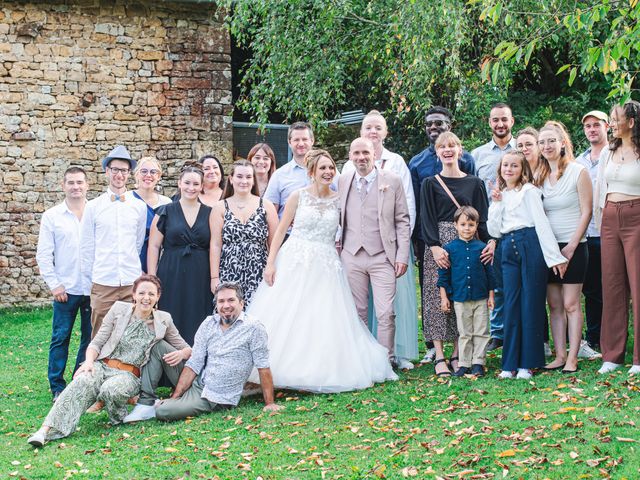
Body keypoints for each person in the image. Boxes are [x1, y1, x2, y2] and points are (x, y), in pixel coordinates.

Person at [247, 149, 398, 392]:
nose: (328, 173)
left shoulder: (340, 199)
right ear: (311, 173)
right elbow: (279, 232)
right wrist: (271, 262)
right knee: (288, 313)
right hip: (295, 259)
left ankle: (314, 369)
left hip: (326, 263)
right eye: (323, 169)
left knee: (321, 316)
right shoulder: (298, 196)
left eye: (331, 168)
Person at [27, 275, 191, 447]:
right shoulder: (119, 310)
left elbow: (187, 347)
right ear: (133, 295)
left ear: (158, 297)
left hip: (129, 375)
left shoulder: (164, 319)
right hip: (103, 365)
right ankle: (45, 431)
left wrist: (182, 353)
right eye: (141, 293)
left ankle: (119, 417)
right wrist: (89, 362)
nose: (146, 298)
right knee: (80, 382)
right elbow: (97, 342)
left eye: (151, 294)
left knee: (111, 390)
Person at [122, 282, 282, 423]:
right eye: (221, 301)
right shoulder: (209, 323)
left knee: (164, 411)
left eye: (231, 300)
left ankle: (161, 406)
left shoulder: (253, 328)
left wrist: (270, 403)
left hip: (216, 396)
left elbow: (263, 366)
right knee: (159, 347)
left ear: (242, 303)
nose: (226, 305)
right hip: (199, 381)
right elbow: (195, 362)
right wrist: (177, 396)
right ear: (216, 305)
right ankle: (146, 402)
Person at [341, 110, 418, 369]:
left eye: (366, 153)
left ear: (375, 154)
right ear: (351, 156)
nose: (361, 157)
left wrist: (401, 253)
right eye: (356, 154)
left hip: (383, 253)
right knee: (358, 311)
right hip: (352, 254)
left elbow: (404, 217)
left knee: (387, 312)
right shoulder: (343, 178)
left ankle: (386, 361)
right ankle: (361, 360)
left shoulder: (393, 175)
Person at [488, 151, 568, 379]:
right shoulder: (500, 194)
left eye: (514, 165)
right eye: (505, 165)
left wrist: (554, 257)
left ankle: (526, 364)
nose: (509, 169)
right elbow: (494, 230)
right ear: (500, 169)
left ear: (522, 169)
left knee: (531, 303)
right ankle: (509, 363)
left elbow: (541, 223)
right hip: (507, 247)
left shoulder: (530, 191)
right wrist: (495, 203)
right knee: (511, 304)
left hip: (529, 244)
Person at [420, 132, 495, 376]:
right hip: (439, 244)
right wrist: (433, 246)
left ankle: (458, 354)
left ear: (460, 150)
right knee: (437, 297)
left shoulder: (475, 183)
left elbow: (482, 218)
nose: (448, 150)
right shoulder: (430, 183)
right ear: (437, 152)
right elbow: (427, 217)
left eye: (452, 145)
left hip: (469, 243)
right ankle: (439, 355)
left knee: (463, 297)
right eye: (442, 146)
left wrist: (489, 242)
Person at [408, 106, 474, 364]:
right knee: (433, 290)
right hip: (430, 236)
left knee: (460, 288)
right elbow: (417, 206)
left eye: (439, 124)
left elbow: (472, 201)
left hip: (463, 233)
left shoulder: (466, 160)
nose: (433, 128)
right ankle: (433, 346)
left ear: (450, 124)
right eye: (429, 124)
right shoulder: (417, 163)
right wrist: (421, 241)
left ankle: (461, 344)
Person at [539, 122, 592, 374]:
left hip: (574, 245)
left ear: (562, 143)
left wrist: (571, 246)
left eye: (551, 141)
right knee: (555, 304)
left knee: (571, 303)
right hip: (549, 248)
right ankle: (559, 355)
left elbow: (587, 211)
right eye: (542, 142)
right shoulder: (539, 177)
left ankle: (573, 357)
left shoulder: (578, 171)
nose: (546, 146)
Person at [36, 166, 92, 402]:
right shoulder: (52, 216)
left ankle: (80, 381)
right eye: (71, 182)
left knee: (89, 339)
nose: (76, 187)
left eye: (79, 182)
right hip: (65, 290)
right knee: (61, 337)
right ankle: (57, 385)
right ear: (63, 185)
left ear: (87, 184)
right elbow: (43, 254)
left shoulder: (95, 212)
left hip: (92, 288)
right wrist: (55, 285)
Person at [80, 145, 147, 336]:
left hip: (130, 282)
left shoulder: (138, 207)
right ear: (107, 171)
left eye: (124, 171)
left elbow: (137, 242)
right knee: (100, 334)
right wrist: (91, 282)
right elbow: (86, 247)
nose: (119, 175)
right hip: (103, 282)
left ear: (129, 174)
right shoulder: (93, 207)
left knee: (130, 334)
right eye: (115, 170)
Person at [595, 101, 640, 375]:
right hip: (611, 218)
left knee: (638, 286)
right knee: (612, 286)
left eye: (616, 119)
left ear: (631, 122)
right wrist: (602, 221)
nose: (611, 124)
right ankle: (612, 355)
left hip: (637, 216)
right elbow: (601, 187)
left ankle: (639, 359)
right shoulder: (607, 152)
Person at [148, 163, 214, 345]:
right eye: (187, 183)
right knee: (171, 313)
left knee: (198, 314)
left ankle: (196, 363)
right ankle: (170, 363)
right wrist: (152, 278)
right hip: (171, 270)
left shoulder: (210, 213)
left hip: (200, 272)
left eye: (195, 184)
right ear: (179, 183)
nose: (191, 188)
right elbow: (154, 246)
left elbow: (215, 245)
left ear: (202, 186)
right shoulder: (166, 211)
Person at [471, 102, 517, 352]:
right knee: (495, 281)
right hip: (490, 225)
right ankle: (497, 332)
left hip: (519, 223)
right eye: (495, 120)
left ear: (512, 121)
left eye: (504, 119)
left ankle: (520, 330)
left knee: (519, 281)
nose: (500, 124)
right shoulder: (477, 155)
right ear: (489, 123)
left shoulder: (523, 148)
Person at [210, 160, 278, 306]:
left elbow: (274, 243)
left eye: (248, 177)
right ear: (231, 179)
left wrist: (272, 267)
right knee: (230, 312)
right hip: (229, 269)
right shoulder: (220, 207)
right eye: (239, 176)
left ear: (254, 181)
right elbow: (215, 244)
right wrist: (214, 277)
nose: (244, 181)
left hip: (259, 269)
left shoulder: (266, 206)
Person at [438, 206, 495, 377]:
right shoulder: (449, 248)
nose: (466, 228)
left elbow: (490, 274)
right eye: (462, 224)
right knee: (464, 332)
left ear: (476, 225)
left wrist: (491, 296)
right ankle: (463, 363)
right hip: (460, 298)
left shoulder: (482, 248)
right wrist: (444, 298)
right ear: (455, 225)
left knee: (481, 330)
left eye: (470, 224)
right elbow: (443, 275)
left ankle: (478, 362)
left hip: (481, 297)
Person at [575, 111, 609, 358]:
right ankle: (595, 337)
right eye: (587, 126)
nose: (591, 129)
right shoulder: (579, 161)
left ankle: (616, 336)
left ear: (607, 126)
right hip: (588, 234)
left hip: (611, 231)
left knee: (617, 287)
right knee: (593, 289)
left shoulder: (616, 154)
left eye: (596, 125)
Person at [264, 122, 338, 220]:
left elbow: (340, 200)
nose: (301, 143)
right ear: (289, 142)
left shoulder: (329, 171)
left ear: (312, 141)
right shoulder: (279, 175)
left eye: (304, 139)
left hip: (324, 232)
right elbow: (270, 212)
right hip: (289, 233)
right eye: (296, 140)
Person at [132, 157, 172, 273]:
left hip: (160, 261)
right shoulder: (127, 199)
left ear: (159, 176)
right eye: (144, 171)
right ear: (136, 174)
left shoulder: (167, 203)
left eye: (153, 172)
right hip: (132, 261)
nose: (148, 175)